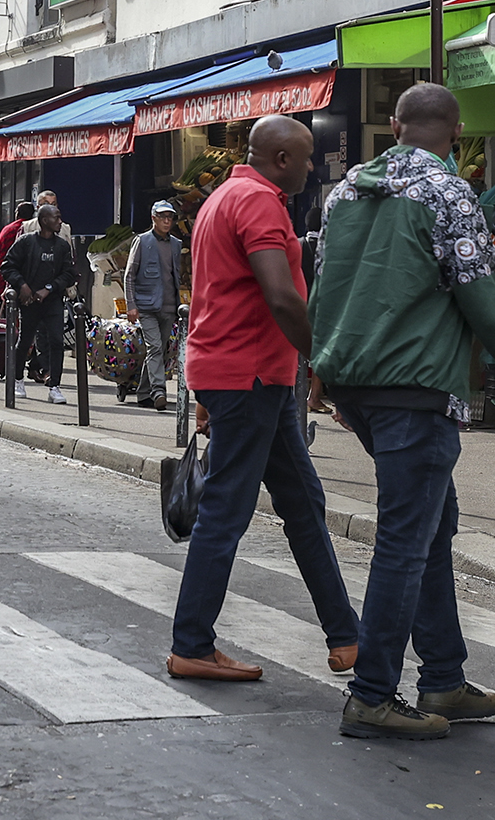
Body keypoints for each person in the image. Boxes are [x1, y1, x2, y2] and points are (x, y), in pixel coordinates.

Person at [313, 83, 495, 741]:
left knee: (433, 522)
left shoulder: (343, 195)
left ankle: (445, 679)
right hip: (416, 385)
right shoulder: (448, 194)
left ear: (395, 126)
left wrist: (324, 375)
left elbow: (323, 289)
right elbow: (482, 297)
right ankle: (372, 694)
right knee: (406, 537)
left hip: (358, 383)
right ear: (456, 134)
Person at [164, 115, 359, 687]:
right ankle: (191, 644)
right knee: (227, 509)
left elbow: (216, 292)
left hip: (245, 375)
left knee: (303, 502)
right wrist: (324, 360)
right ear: (280, 159)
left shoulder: (224, 197)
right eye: (304, 159)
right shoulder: (259, 202)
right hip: (248, 374)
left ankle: (347, 636)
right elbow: (280, 293)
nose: (310, 168)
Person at [2, 205, 77, 403]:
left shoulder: (62, 246)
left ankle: (55, 386)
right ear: (44, 220)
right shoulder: (26, 242)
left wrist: (50, 288)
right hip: (28, 302)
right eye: (56, 218)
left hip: (52, 301)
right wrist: (23, 285)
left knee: (56, 342)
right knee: (25, 341)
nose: (60, 221)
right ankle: (17, 379)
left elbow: (69, 273)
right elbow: (7, 266)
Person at [127, 200, 185, 410]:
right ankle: (159, 391)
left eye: (169, 217)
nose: (167, 221)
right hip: (146, 307)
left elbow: (175, 276)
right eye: (162, 217)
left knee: (158, 351)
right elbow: (129, 275)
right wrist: (131, 305)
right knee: (155, 348)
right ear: (153, 219)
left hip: (169, 307)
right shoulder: (142, 241)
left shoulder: (176, 244)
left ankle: (143, 394)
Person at [0, 199, 37, 316]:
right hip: (30, 279)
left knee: (9, 311)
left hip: (7, 276)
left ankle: (13, 332)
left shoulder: (9, 229)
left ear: (17, 213)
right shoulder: (36, 230)